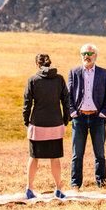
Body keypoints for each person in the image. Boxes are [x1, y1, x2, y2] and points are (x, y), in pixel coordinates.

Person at [23, 53, 71, 198]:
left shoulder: (33, 80)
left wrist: (27, 121)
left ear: (37, 65)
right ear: (50, 64)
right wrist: (65, 120)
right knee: (55, 158)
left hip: (38, 124)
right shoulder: (59, 79)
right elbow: (66, 102)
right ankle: (58, 189)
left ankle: (29, 188)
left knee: (34, 157)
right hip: (56, 124)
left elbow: (27, 104)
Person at [67, 43, 106, 190]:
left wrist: (102, 114)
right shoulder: (73, 73)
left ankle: (102, 183)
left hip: (97, 119)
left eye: (89, 54)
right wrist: (73, 112)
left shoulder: (104, 73)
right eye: (84, 54)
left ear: (95, 56)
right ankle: (75, 184)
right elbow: (68, 96)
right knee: (77, 154)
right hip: (79, 118)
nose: (86, 56)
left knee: (99, 154)